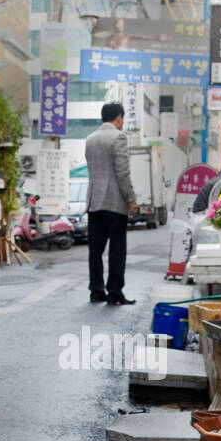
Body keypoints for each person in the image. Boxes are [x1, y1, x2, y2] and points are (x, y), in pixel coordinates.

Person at [84, 102, 137, 305]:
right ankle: (114, 292)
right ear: (118, 117)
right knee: (116, 250)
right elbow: (122, 173)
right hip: (114, 202)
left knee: (95, 250)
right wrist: (131, 199)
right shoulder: (118, 137)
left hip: (94, 201)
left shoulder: (90, 139)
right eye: (122, 118)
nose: (122, 122)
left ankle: (96, 290)